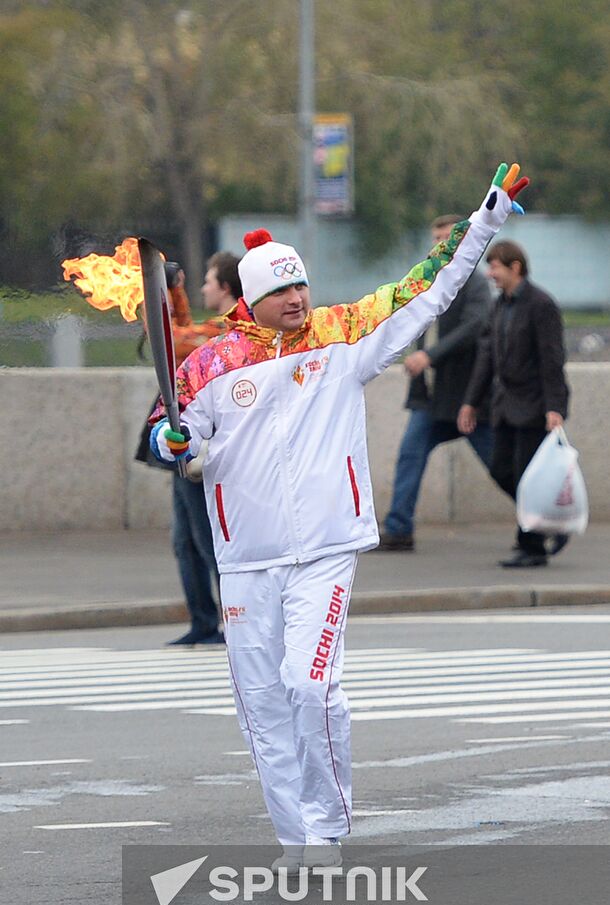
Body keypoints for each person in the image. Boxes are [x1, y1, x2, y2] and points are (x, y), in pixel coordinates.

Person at [149, 164, 528, 868]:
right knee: (262, 709)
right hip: (245, 559)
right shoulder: (208, 366)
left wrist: (489, 218)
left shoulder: (344, 336)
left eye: (301, 285)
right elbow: (171, 435)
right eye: (282, 290)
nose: (297, 298)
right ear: (252, 301)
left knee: (311, 686)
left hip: (324, 547)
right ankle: (296, 842)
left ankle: (326, 828)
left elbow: (427, 287)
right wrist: (173, 440)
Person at [135, 252, 242, 645]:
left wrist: (150, 295)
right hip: (186, 444)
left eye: (208, 281)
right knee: (185, 540)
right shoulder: (212, 326)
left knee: (206, 539)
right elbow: (180, 328)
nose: (203, 288)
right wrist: (173, 292)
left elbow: (174, 342)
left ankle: (235, 621)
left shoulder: (231, 330)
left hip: (204, 445)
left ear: (226, 288)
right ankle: (203, 622)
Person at [379, 214, 493, 551]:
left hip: (465, 398)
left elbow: (474, 327)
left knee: (500, 465)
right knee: (410, 455)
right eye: (436, 238)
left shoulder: (474, 283)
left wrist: (430, 357)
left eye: (447, 236)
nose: (440, 244)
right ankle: (399, 529)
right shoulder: (430, 281)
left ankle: (543, 520)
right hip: (430, 397)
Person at [458, 239, 569, 567]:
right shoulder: (500, 306)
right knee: (501, 469)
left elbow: (552, 360)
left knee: (527, 475)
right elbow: (486, 359)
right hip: (505, 406)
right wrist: (470, 403)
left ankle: (532, 547)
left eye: (495, 267)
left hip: (535, 407)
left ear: (515, 267)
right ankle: (549, 523)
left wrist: (555, 408)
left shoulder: (541, 304)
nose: (490, 274)